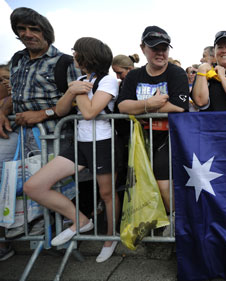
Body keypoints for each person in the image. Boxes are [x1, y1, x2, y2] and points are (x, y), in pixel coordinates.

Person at [24, 37, 120, 263]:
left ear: (87, 55)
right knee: (33, 186)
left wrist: (77, 92)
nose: (73, 55)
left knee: (106, 194)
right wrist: (71, 91)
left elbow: (89, 112)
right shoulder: (79, 80)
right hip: (79, 142)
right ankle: (81, 221)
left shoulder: (108, 81)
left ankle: (110, 237)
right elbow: (60, 109)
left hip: (103, 141)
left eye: (76, 51)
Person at [0, 7, 81, 262]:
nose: (27, 34)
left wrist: (43, 113)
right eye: (21, 30)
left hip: (53, 135)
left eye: (34, 29)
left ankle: (62, 233)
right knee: (11, 182)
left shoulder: (65, 62)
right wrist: (3, 110)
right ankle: (21, 230)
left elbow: (77, 102)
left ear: (46, 32)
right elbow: (16, 95)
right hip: (19, 134)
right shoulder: (16, 60)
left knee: (47, 186)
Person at [117, 25, 189, 213]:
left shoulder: (176, 73)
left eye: (163, 49)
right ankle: (157, 223)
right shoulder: (134, 75)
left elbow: (178, 106)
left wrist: (138, 107)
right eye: (154, 48)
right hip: (141, 139)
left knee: (164, 185)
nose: (160, 53)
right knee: (144, 184)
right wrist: (151, 103)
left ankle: (174, 222)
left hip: (168, 138)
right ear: (143, 49)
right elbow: (123, 106)